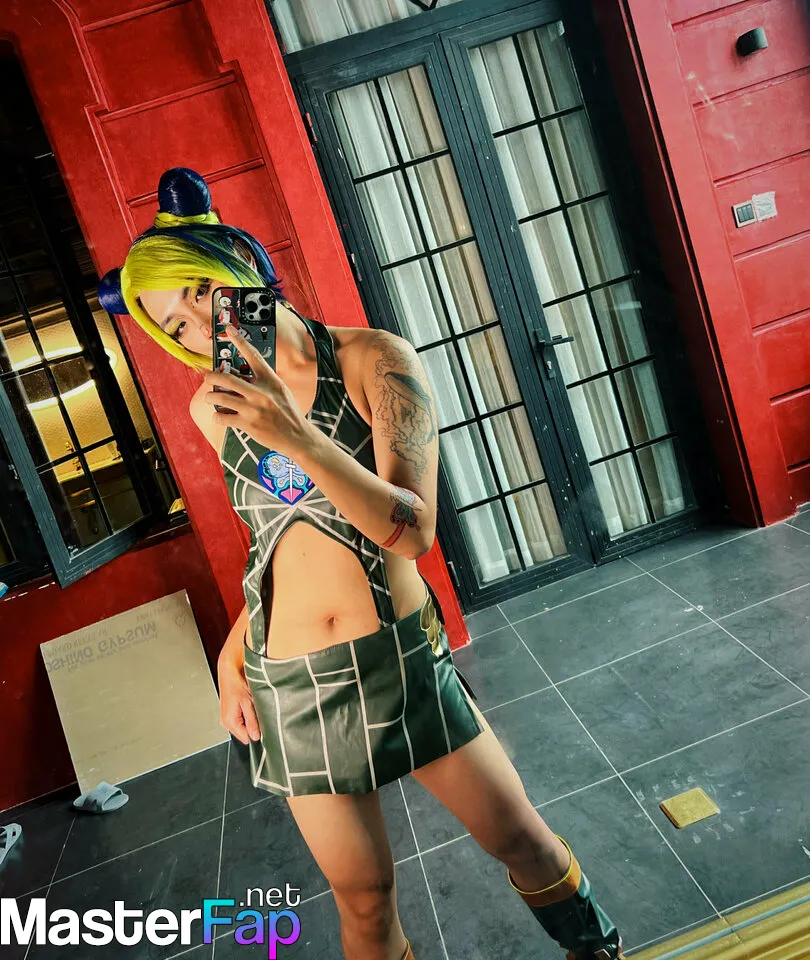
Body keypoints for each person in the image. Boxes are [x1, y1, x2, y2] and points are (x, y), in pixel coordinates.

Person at [98, 168, 625, 960]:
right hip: (290, 683)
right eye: (174, 325)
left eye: (201, 292)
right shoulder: (213, 406)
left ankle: (599, 949)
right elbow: (278, 540)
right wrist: (234, 653)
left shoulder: (373, 358)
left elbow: (412, 532)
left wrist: (297, 434)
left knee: (520, 838)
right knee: (366, 903)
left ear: (239, 261)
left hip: (399, 661)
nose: (202, 326)